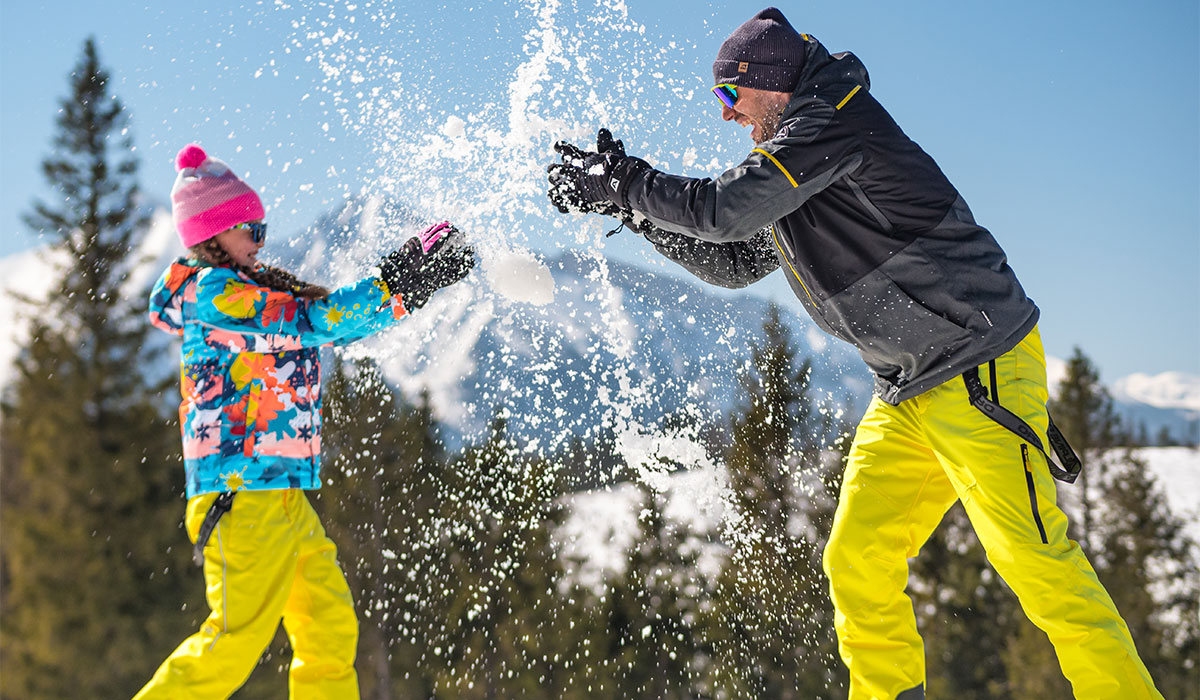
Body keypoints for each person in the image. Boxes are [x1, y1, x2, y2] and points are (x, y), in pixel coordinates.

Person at [546, 8, 1161, 700]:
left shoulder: (833, 122)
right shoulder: (797, 155)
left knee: (1038, 566)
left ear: (770, 83)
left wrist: (625, 180)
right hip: (907, 389)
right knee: (857, 558)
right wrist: (629, 208)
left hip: (978, 368)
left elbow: (724, 209)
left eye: (729, 96)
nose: (725, 116)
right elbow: (730, 259)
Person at [135, 144, 474, 699]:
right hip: (240, 496)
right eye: (252, 228)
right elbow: (313, 322)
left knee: (328, 624)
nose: (261, 238)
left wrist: (407, 287)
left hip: (278, 493)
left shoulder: (246, 287)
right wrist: (400, 279)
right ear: (214, 234)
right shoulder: (219, 295)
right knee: (233, 640)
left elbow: (323, 323)